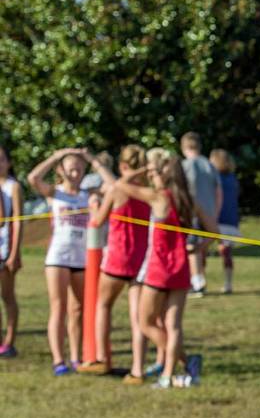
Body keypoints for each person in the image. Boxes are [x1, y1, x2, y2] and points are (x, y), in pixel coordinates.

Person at [114, 151, 215, 388]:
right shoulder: (188, 199)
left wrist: (141, 170)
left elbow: (121, 183)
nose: (149, 176)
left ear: (162, 174)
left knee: (146, 322)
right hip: (181, 269)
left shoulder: (158, 197)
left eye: (151, 172)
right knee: (174, 325)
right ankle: (168, 376)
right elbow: (213, 229)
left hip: (159, 268)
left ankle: (186, 361)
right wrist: (198, 248)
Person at [28, 148, 114, 375]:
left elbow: (113, 185)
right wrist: (59, 155)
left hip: (82, 258)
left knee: (78, 310)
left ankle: (76, 356)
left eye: (79, 169)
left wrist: (92, 160)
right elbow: (33, 178)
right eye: (71, 169)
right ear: (62, 170)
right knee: (59, 308)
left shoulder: (89, 194)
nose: (75, 173)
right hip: (58, 257)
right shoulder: (55, 193)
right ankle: (59, 360)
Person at [78, 145, 152, 382]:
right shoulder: (148, 192)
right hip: (140, 258)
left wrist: (94, 208)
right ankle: (137, 369)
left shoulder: (117, 190)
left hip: (119, 258)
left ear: (122, 166)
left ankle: (101, 358)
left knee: (103, 305)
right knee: (137, 316)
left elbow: (98, 222)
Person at [180, 132, 222, 297]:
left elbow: (186, 190)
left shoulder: (186, 165)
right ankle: (198, 278)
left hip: (194, 213)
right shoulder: (209, 165)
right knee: (200, 249)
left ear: (184, 147)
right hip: (210, 212)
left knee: (193, 248)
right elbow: (219, 191)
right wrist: (215, 212)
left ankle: (197, 282)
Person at [0, 145, 23, 358]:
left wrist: (15, 252)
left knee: (7, 296)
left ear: (9, 163)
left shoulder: (13, 186)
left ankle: (9, 342)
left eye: (1, 159)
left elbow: (15, 220)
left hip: (5, 248)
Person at [209, 148, 240, 295]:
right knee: (226, 253)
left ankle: (198, 279)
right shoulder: (232, 179)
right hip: (231, 220)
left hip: (219, 219)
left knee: (201, 249)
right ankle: (228, 283)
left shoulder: (216, 179)